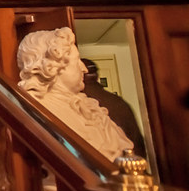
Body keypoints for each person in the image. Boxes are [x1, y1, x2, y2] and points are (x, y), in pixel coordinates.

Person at [17, 27, 134, 162]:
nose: (83, 69)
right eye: (77, 60)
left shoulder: (88, 106)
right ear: (52, 67)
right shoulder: (38, 107)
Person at [81, 59, 147, 158]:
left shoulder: (78, 103)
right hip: (129, 164)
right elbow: (137, 142)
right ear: (97, 76)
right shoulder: (118, 102)